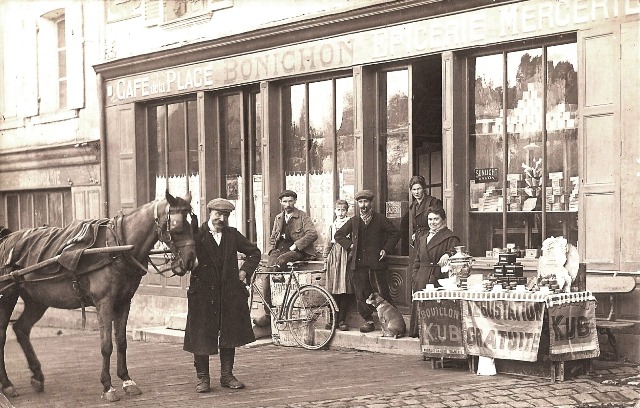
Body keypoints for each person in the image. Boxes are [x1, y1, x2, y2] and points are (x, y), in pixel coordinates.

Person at [183, 198, 261, 393]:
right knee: (201, 333)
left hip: (228, 292)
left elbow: (254, 252)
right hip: (202, 292)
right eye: (218, 214)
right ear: (209, 213)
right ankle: (203, 378)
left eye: (225, 215)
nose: (221, 218)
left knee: (229, 332)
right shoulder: (197, 234)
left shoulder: (232, 235)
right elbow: (184, 257)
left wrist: (243, 272)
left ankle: (227, 376)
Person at [334, 190, 400, 333]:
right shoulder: (354, 221)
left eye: (366, 202)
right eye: (360, 202)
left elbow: (395, 233)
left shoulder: (380, 219)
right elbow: (338, 235)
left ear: (371, 203)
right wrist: (350, 245)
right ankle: (369, 320)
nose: (363, 205)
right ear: (358, 204)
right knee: (361, 294)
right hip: (358, 265)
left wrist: (386, 249)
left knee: (382, 292)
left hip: (377, 263)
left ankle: (393, 321)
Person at [253, 189, 318, 327]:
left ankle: (279, 280)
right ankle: (267, 314)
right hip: (279, 250)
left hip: (298, 251)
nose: (287, 204)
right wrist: (271, 250)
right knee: (265, 277)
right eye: (285, 201)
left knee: (282, 261)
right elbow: (272, 237)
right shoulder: (278, 218)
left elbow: (312, 234)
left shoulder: (302, 216)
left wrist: (296, 245)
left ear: (294, 201)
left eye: (290, 201)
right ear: (280, 202)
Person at [409, 206, 460, 337]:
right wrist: (415, 278)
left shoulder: (450, 237)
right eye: (430, 219)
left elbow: (456, 251)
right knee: (421, 307)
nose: (432, 222)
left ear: (443, 220)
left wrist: (449, 254)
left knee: (436, 310)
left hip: (438, 277)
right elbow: (417, 261)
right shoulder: (423, 238)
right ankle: (419, 333)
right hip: (422, 276)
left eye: (436, 219)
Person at [322, 199, 353, 331]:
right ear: (335, 211)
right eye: (338, 210)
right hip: (334, 258)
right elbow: (327, 244)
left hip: (346, 256)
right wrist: (325, 259)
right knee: (333, 288)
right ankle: (332, 318)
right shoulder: (332, 225)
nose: (340, 213)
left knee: (343, 288)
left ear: (347, 211)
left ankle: (342, 320)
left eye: (343, 210)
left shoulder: (350, 223)